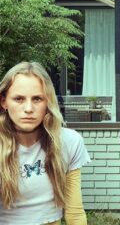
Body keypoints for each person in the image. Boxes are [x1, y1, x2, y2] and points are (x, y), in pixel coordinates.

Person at [0, 62, 91, 225]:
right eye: (19, 99)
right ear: (4, 101)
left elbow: (75, 213)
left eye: (37, 99)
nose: (28, 108)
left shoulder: (68, 141)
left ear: (47, 102)